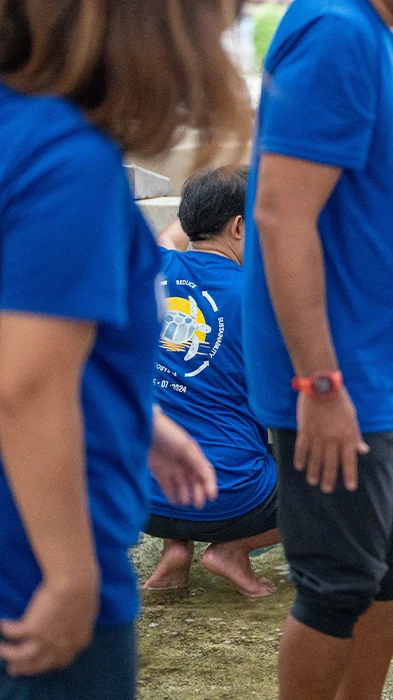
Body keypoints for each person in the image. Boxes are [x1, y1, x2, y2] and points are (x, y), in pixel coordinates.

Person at [0, 0, 246, 696]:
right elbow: (25, 385)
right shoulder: (67, 158)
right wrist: (71, 574)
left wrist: (141, 420)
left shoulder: (17, 126)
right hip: (34, 571)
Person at [243, 0, 393, 698]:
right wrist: (319, 384)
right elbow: (281, 214)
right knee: (335, 584)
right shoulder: (336, 33)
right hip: (337, 378)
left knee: (388, 567)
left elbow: (391, 211)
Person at [143, 167, 281, 599]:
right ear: (239, 226)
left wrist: (203, 206)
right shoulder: (261, 298)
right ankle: (231, 552)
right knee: (340, 482)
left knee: (176, 396)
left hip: (146, 499)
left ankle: (174, 550)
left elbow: (172, 234)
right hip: (229, 501)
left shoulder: (153, 268)